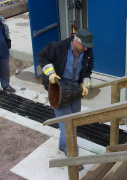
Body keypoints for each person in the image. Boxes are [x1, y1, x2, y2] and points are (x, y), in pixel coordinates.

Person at [38, 29, 94, 157]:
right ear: (76, 41)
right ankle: (70, 148)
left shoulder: (88, 52)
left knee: (74, 119)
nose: (86, 49)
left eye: (87, 46)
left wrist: (85, 85)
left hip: (75, 87)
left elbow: (88, 70)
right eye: (83, 45)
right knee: (66, 122)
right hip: (60, 87)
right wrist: (50, 73)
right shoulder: (57, 47)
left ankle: (63, 144)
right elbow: (42, 56)